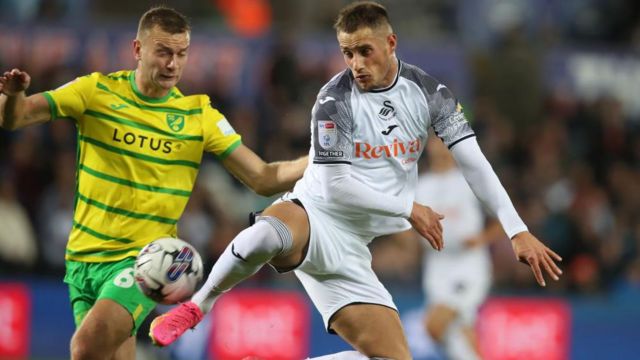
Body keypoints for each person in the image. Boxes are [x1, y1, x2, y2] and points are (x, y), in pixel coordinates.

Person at [149, 2, 563, 359]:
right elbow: (334, 187)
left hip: (353, 250)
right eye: (348, 53)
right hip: (314, 215)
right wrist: (408, 208)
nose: (356, 64)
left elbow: (474, 163)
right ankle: (196, 307)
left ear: (391, 43)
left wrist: (517, 230)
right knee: (269, 234)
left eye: (365, 51)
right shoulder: (333, 100)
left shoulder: (431, 94)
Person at [0, 6, 307, 360]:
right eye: (163, 52)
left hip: (146, 262)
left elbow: (264, 177)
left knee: (85, 349)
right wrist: (12, 97)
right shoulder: (95, 91)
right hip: (82, 259)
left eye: (181, 54)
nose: (172, 64)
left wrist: (319, 160)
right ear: (137, 50)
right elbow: (16, 118)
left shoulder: (198, 115)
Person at [416, 136, 505, 360]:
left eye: (445, 141)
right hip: (436, 265)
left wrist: (481, 239)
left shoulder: (470, 180)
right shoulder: (420, 185)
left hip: (467, 265)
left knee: (434, 324)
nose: (441, 147)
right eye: (436, 141)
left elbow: (505, 215)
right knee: (458, 330)